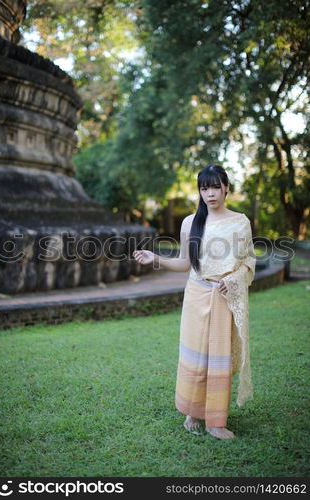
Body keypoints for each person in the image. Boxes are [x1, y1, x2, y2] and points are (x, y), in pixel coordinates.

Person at [133, 164, 256, 440]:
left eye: (215, 187)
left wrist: (233, 279)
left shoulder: (240, 222)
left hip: (224, 297)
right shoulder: (191, 222)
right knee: (195, 355)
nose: (210, 193)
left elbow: (248, 262)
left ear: (226, 187)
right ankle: (192, 412)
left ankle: (215, 422)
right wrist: (156, 258)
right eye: (204, 188)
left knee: (218, 358)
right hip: (196, 294)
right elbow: (185, 263)